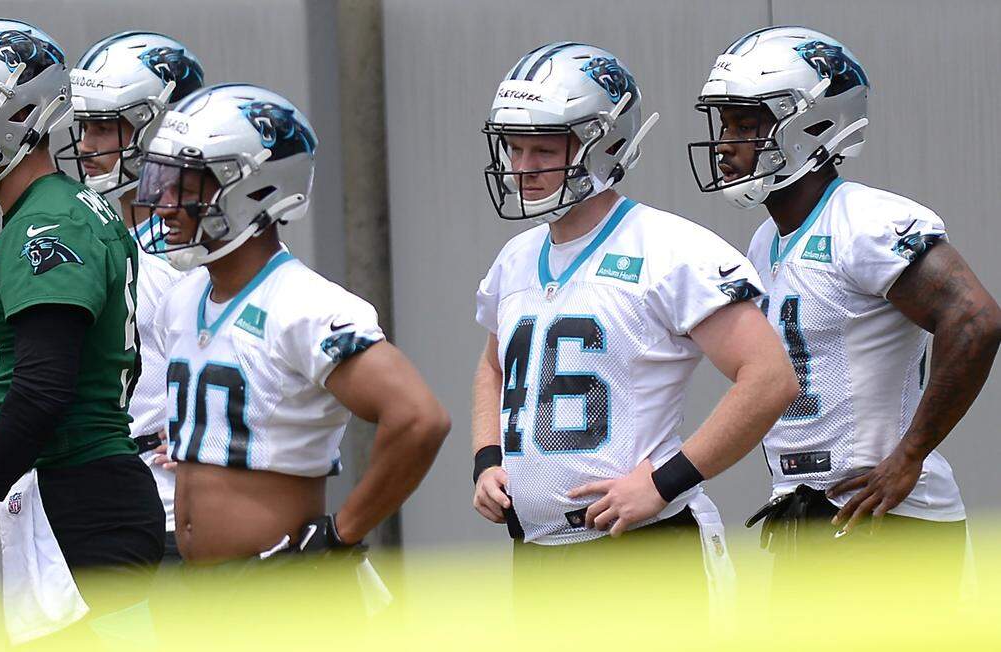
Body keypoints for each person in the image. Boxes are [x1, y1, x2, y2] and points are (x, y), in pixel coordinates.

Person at [472, 41, 798, 601]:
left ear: (607, 144)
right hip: (539, 556)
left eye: (542, 149)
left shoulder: (671, 248)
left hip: (648, 551)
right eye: (514, 149)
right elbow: (492, 366)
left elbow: (770, 378)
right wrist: (487, 460)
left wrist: (664, 482)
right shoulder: (516, 257)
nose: (522, 169)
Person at [688, 26, 1001, 590]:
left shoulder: (863, 223)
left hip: (892, 526)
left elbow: (976, 319)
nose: (727, 143)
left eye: (747, 124)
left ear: (812, 124)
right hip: (810, 520)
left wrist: (908, 457)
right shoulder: (766, 240)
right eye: (726, 124)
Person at [0, 19, 162, 642]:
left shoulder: (44, 225)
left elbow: (45, 387)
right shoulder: (66, 208)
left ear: (19, 111)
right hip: (84, 494)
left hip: (80, 497)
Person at [133, 83, 450, 577]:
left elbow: (419, 419)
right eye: (163, 182)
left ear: (254, 189)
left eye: (187, 186)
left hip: (276, 583)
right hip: (193, 581)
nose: (165, 204)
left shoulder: (303, 304)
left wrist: (340, 534)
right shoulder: (183, 298)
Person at [57, 30, 207, 561]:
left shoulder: (192, 253)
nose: (85, 145)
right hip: (117, 498)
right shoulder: (108, 232)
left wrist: (215, 442)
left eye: (104, 126)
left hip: (175, 511)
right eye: (83, 127)